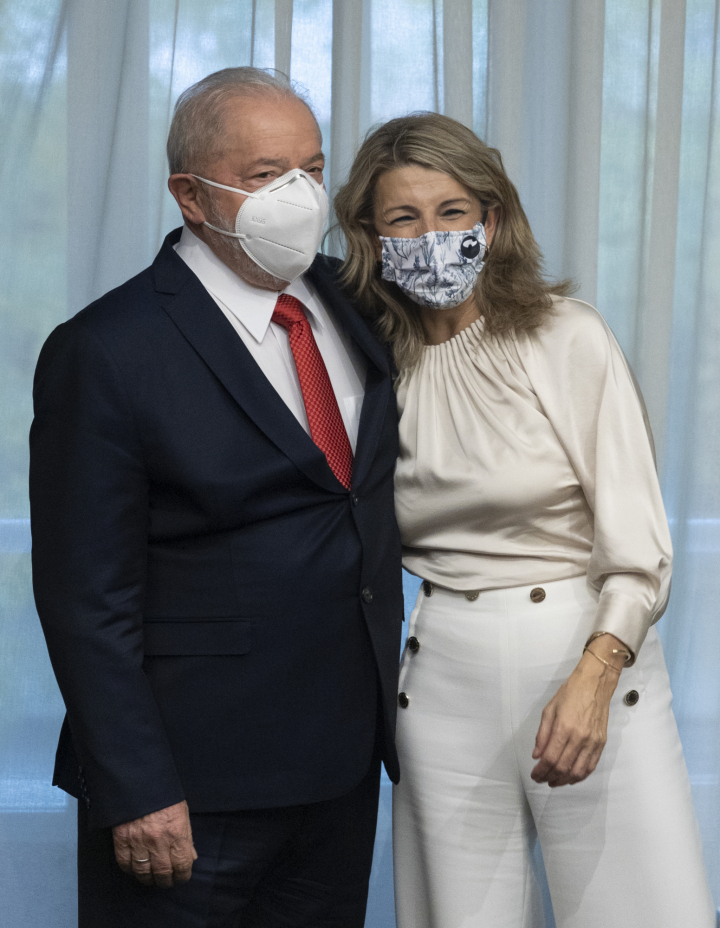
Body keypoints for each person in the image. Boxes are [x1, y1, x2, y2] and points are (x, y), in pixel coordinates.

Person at [30, 67, 403, 928]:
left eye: (312, 168)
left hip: (340, 772)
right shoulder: (107, 349)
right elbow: (86, 598)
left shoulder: (357, 302)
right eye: (268, 175)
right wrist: (136, 789)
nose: (300, 196)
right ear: (191, 195)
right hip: (188, 791)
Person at [334, 112, 715, 928]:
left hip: (586, 655)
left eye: (452, 212)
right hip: (442, 671)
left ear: (493, 219)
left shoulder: (564, 337)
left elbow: (640, 547)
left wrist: (596, 676)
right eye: (403, 218)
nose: (430, 237)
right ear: (370, 236)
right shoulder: (373, 367)